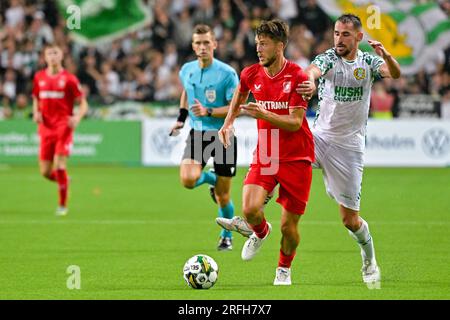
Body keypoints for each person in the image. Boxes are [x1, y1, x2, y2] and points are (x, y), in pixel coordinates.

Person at [218, 14, 402, 289]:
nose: (339, 39)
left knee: (350, 220)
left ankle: (369, 259)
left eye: (345, 35)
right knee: (264, 183)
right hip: (316, 140)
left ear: (358, 38)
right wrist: (311, 82)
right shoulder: (327, 58)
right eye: (336, 33)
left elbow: (395, 74)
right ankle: (254, 224)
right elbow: (312, 72)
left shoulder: (369, 62)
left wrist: (387, 56)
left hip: (348, 147)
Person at [217, 19, 314, 286]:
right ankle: (260, 232)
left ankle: (283, 269)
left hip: (297, 155)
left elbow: (295, 122)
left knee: (289, 228)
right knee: (249, 208)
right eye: (258, 43)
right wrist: (228, 124)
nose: (258, 49)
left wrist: (264, 113)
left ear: (280, 46)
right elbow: (239, 95)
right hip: (268, 146)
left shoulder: (298, 76)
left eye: (264, 44)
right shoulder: (251, 73)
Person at [170, 24, 239, 251]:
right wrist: (181, 118)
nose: (202, 47)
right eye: (198, 43)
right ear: (193, 46)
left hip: (223, 136)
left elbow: (234, 108)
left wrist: (209, 111)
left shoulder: (227, 74)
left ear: (215, 45)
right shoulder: (186, 70)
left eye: (206, 43)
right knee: (187, 180)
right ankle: (210, 179)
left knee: (224, 197)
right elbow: (186, 93)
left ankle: (226, 236)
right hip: (198, 134)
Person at [32, 43, 88, 216]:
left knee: (60, 165)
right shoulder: (39, 77)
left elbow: (83, 103)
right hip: (45, 128)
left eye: (56, 53)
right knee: (45, 172)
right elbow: (35, 97)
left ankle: (62, 205)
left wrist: (77, 117)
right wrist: (36, 112)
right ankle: (64, 181)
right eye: (49, 53)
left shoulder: (69, 79)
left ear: (61, 56)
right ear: (45, 57)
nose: (53, 56)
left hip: (63, 127)